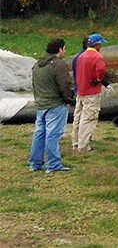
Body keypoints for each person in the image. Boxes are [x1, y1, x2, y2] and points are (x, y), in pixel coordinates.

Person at [29, 38, 75, 173]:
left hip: (41, 104)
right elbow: (64, 85)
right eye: (64, 48)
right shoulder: (58, 64)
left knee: (39, 133)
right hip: (55, 104)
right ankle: (53, 165)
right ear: (60, 49)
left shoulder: (37, 64)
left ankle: (35, 163)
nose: (64, 51)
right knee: (53, 135)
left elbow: (34, 84)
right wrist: (69, 100)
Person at [72, 33, 108, 153]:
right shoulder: (97, 56)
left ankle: (76, 142)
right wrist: (98, 79)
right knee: (89, 118)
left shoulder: (80, 56)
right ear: (97, 44)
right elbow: (102, 69)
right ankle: (84, 146)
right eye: (100, 43)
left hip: (80, 91)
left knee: (78, 117)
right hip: (91, 92)